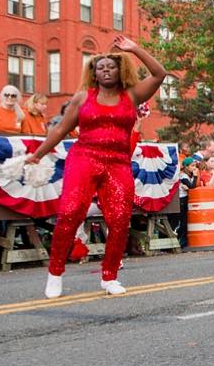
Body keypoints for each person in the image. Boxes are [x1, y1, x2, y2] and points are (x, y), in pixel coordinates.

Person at [26, 36, 166, 298]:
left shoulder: (132, 95)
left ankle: (109, 276)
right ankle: (55, 273)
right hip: (85, 158)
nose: (105, 70)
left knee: (120, 219)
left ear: (120, 70)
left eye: (110, 67)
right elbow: (60, 130)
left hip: (117, 162)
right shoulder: (83, 98)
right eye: (99, 67)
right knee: (69, 212)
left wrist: (135, 49)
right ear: (94, 73)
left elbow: (159, 74)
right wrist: (38, 154)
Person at [177, 157, 199, 247]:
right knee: (182, 221)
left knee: (185, 221)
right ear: (186, 167)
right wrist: (195, 176)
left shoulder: (189, 175)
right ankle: (181, 242)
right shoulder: (183, 176)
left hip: (186, 199)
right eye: (192, 165)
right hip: (181, 200)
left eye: (195, 166)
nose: (194, 167)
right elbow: (192, 187)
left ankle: (183, 241)